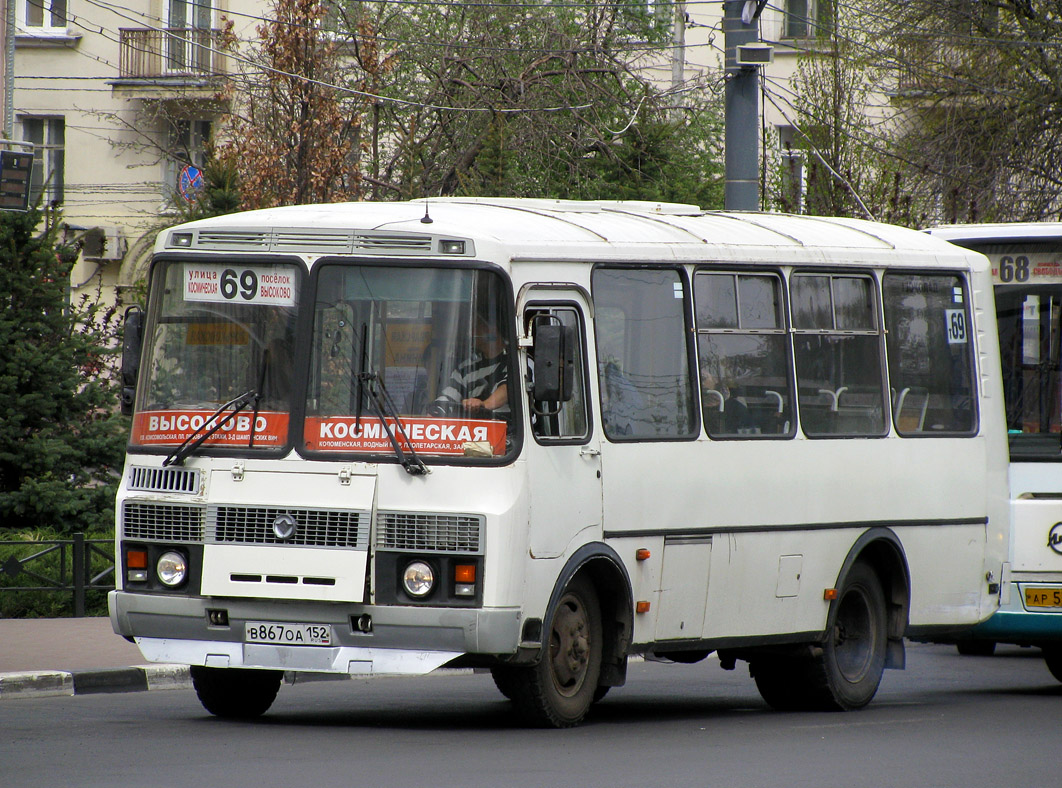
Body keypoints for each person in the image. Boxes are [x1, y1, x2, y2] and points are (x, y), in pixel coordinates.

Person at [429, 312, 509, 417]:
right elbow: (449, 396)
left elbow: (507, 389)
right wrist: (435, 412)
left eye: (476, 326)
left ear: (492, 330)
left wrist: (484, 405)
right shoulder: (466, 367)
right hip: (474, 430)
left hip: (508, 430)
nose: (470, 333)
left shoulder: (517, 362)